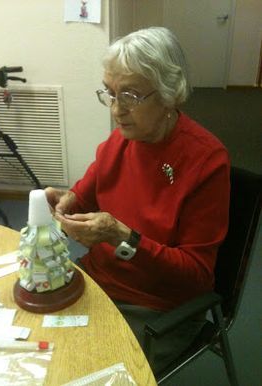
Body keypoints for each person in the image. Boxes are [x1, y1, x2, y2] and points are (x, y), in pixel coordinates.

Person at [45, 26, 230, 371]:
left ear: (169, 94)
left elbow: (196, 275)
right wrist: (63, 203)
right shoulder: (120, 142)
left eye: (130, 96)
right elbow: (82, 197)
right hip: (99, 283)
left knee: (77, 372)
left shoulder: (206, 161)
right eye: (111, 94)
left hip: (159, 308)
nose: (116, 111)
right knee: (33, 344)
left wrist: (123, 238)